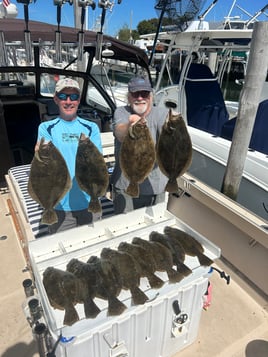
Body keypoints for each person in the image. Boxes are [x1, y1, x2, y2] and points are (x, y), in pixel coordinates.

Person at [35, 77, 102, 233]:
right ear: (56, 99)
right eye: (64, 96)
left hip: (89, 199)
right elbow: (44, 164)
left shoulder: (91, 127)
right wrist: (39, 155)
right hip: (59, 203)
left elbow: (96, 163)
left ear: (79, 100)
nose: (69, 101)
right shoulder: (46, 128)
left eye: (74, 97)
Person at [110, 76, 169, 214]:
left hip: (154, 186)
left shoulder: (162, 114)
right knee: (124, 227)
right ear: (129, 97)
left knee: (153, 228)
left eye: (145, 94)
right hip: (125, 185)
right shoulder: (122, 112)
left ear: (151, 96)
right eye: (136, 94)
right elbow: (119, 133)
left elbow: (170, 142)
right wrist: (130, 125)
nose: (140, 98)